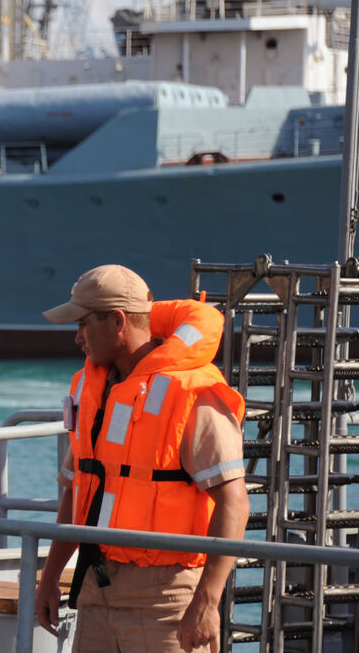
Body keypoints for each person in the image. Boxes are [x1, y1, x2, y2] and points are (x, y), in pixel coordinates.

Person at [34, 264, 250, 653]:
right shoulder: (91, 388)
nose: (78, 338)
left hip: (165, 602)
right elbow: (79, 488)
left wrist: (207, 602)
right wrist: (50, 576)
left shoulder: (193, 394)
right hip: (95, 595)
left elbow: (234, 504)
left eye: (82, 324)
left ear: (117, 321)